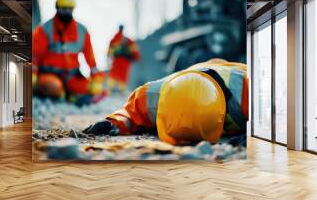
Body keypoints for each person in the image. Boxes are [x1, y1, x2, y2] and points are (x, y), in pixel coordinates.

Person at [84, 59, 248, 146]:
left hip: (228, 69)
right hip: (200, 71)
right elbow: (131, 112)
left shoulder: (247, 91)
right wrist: (113, 122)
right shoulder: (153, 96)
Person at [32, 0, 104, 105]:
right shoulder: (43, 30)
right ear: (57, 8)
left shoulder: (82, 31)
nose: (66, 12)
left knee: (92, 89)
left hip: (71, 76)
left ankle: (68, 95)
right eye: (63, 9)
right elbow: (34, 55)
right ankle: (58, 94)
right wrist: (33, 75)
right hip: (48, 74)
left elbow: (90, 57)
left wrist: (96, 78)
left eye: (69, 9)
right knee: (54, 87)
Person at [107, 25, 141, 93]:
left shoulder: (114, 39)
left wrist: (109, 57)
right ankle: (121, 90)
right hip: (125, 61)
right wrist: (136, 57)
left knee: (113, 74)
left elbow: (109, 51)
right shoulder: (127, 40)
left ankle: (110, 89)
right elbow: (135, 51)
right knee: (123, 76)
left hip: (117, 60)